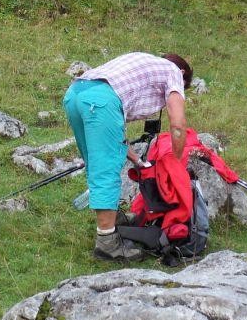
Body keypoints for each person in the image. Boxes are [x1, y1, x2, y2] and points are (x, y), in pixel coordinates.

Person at [63, 52, 192, 261]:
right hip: (100, 102)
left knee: (96, 166)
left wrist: (133, 156)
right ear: (183, 73)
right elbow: (177, 124)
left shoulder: (143, 61)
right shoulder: (174, 72)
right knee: (106, 172)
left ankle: (113, 221)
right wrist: (175, 164)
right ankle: (107, 244)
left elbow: (113, 107)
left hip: (76, 93)